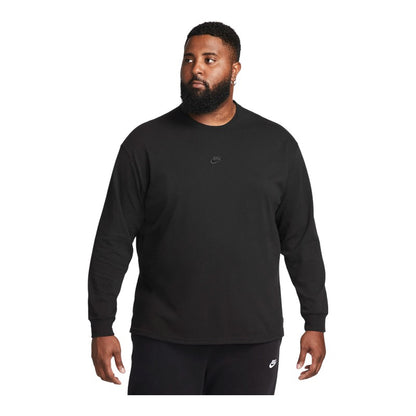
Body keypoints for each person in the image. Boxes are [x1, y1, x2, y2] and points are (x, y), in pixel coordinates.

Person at [88, 21, 328, 395]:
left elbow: (300, 240)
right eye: (189, 59)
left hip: (252, 338)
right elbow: (113, 239)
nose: (196, 68)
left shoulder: (276, 145)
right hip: (162, 337)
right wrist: (101, 325)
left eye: (209, 59)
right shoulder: (145, 144)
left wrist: (315, 320)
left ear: (235, 70)